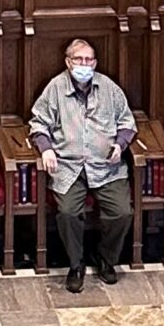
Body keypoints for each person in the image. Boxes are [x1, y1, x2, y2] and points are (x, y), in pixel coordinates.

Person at [28, 38, 136, 291]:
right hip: (69, 167)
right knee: (67, 213)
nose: (84, 64)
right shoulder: (55, 88)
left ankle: (106, 259)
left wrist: (120, 144)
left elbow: (127, 122)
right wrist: (46, 149)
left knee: (122, 213)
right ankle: (76, 264)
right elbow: (38, 123)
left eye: (89, 60)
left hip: (106, 167)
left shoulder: (109, 88)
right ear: (68, 62)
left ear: (95, 63)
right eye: (79, 60)